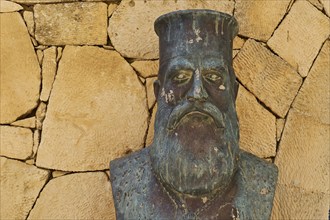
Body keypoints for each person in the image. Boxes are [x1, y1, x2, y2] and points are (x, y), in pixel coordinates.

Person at [110, 9, 278, 220]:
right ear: (158, 92)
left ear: (233, 93)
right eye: (180, 77)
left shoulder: (261, 180)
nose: (197, 93)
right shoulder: (127, 179)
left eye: (214, 77)